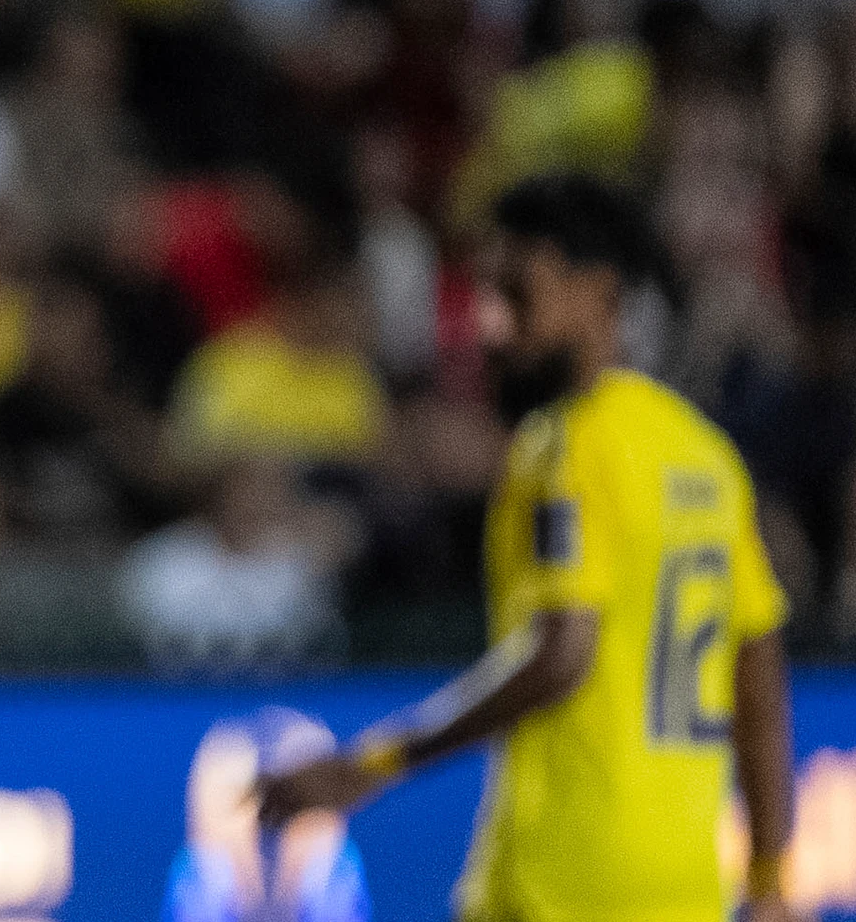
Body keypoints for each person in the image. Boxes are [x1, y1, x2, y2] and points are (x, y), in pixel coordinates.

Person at [257, 174, 795, 922]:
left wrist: (374, 762)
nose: (491, 325)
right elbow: (760, 677)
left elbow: (561, 652)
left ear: (598, 292)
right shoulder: (704, 454)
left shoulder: (564, 444)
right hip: (683, 889)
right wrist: (769, 879)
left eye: (517, 295)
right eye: (486, 296)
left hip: (558, 882)